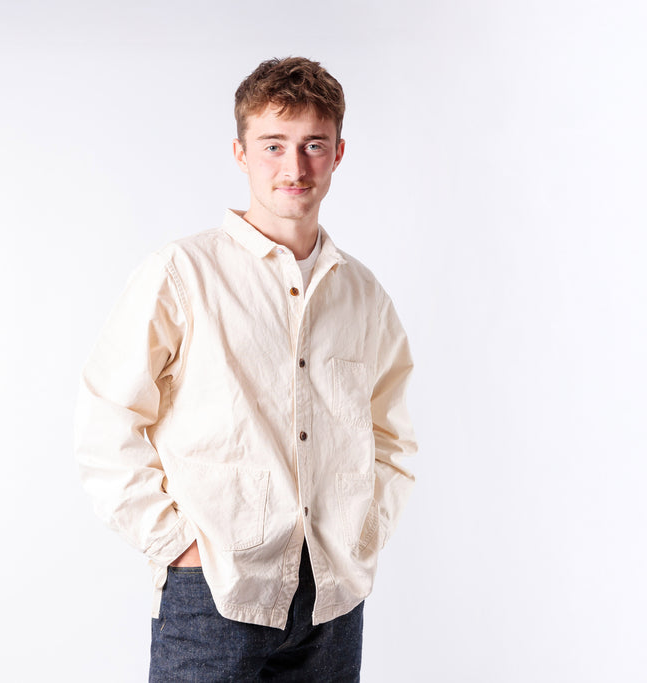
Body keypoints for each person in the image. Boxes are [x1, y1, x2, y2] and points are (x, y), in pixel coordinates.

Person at [75, 56, 417, 681]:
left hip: (334, 602)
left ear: (339, 153)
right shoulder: (182, 274)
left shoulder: (363, 295)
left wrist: (362, 532)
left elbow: (391, 435)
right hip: (215, 594)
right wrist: (177, 546)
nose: (294, 167)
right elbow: (107, 420)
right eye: (273, 145)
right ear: (240, 152)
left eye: (314, 144)